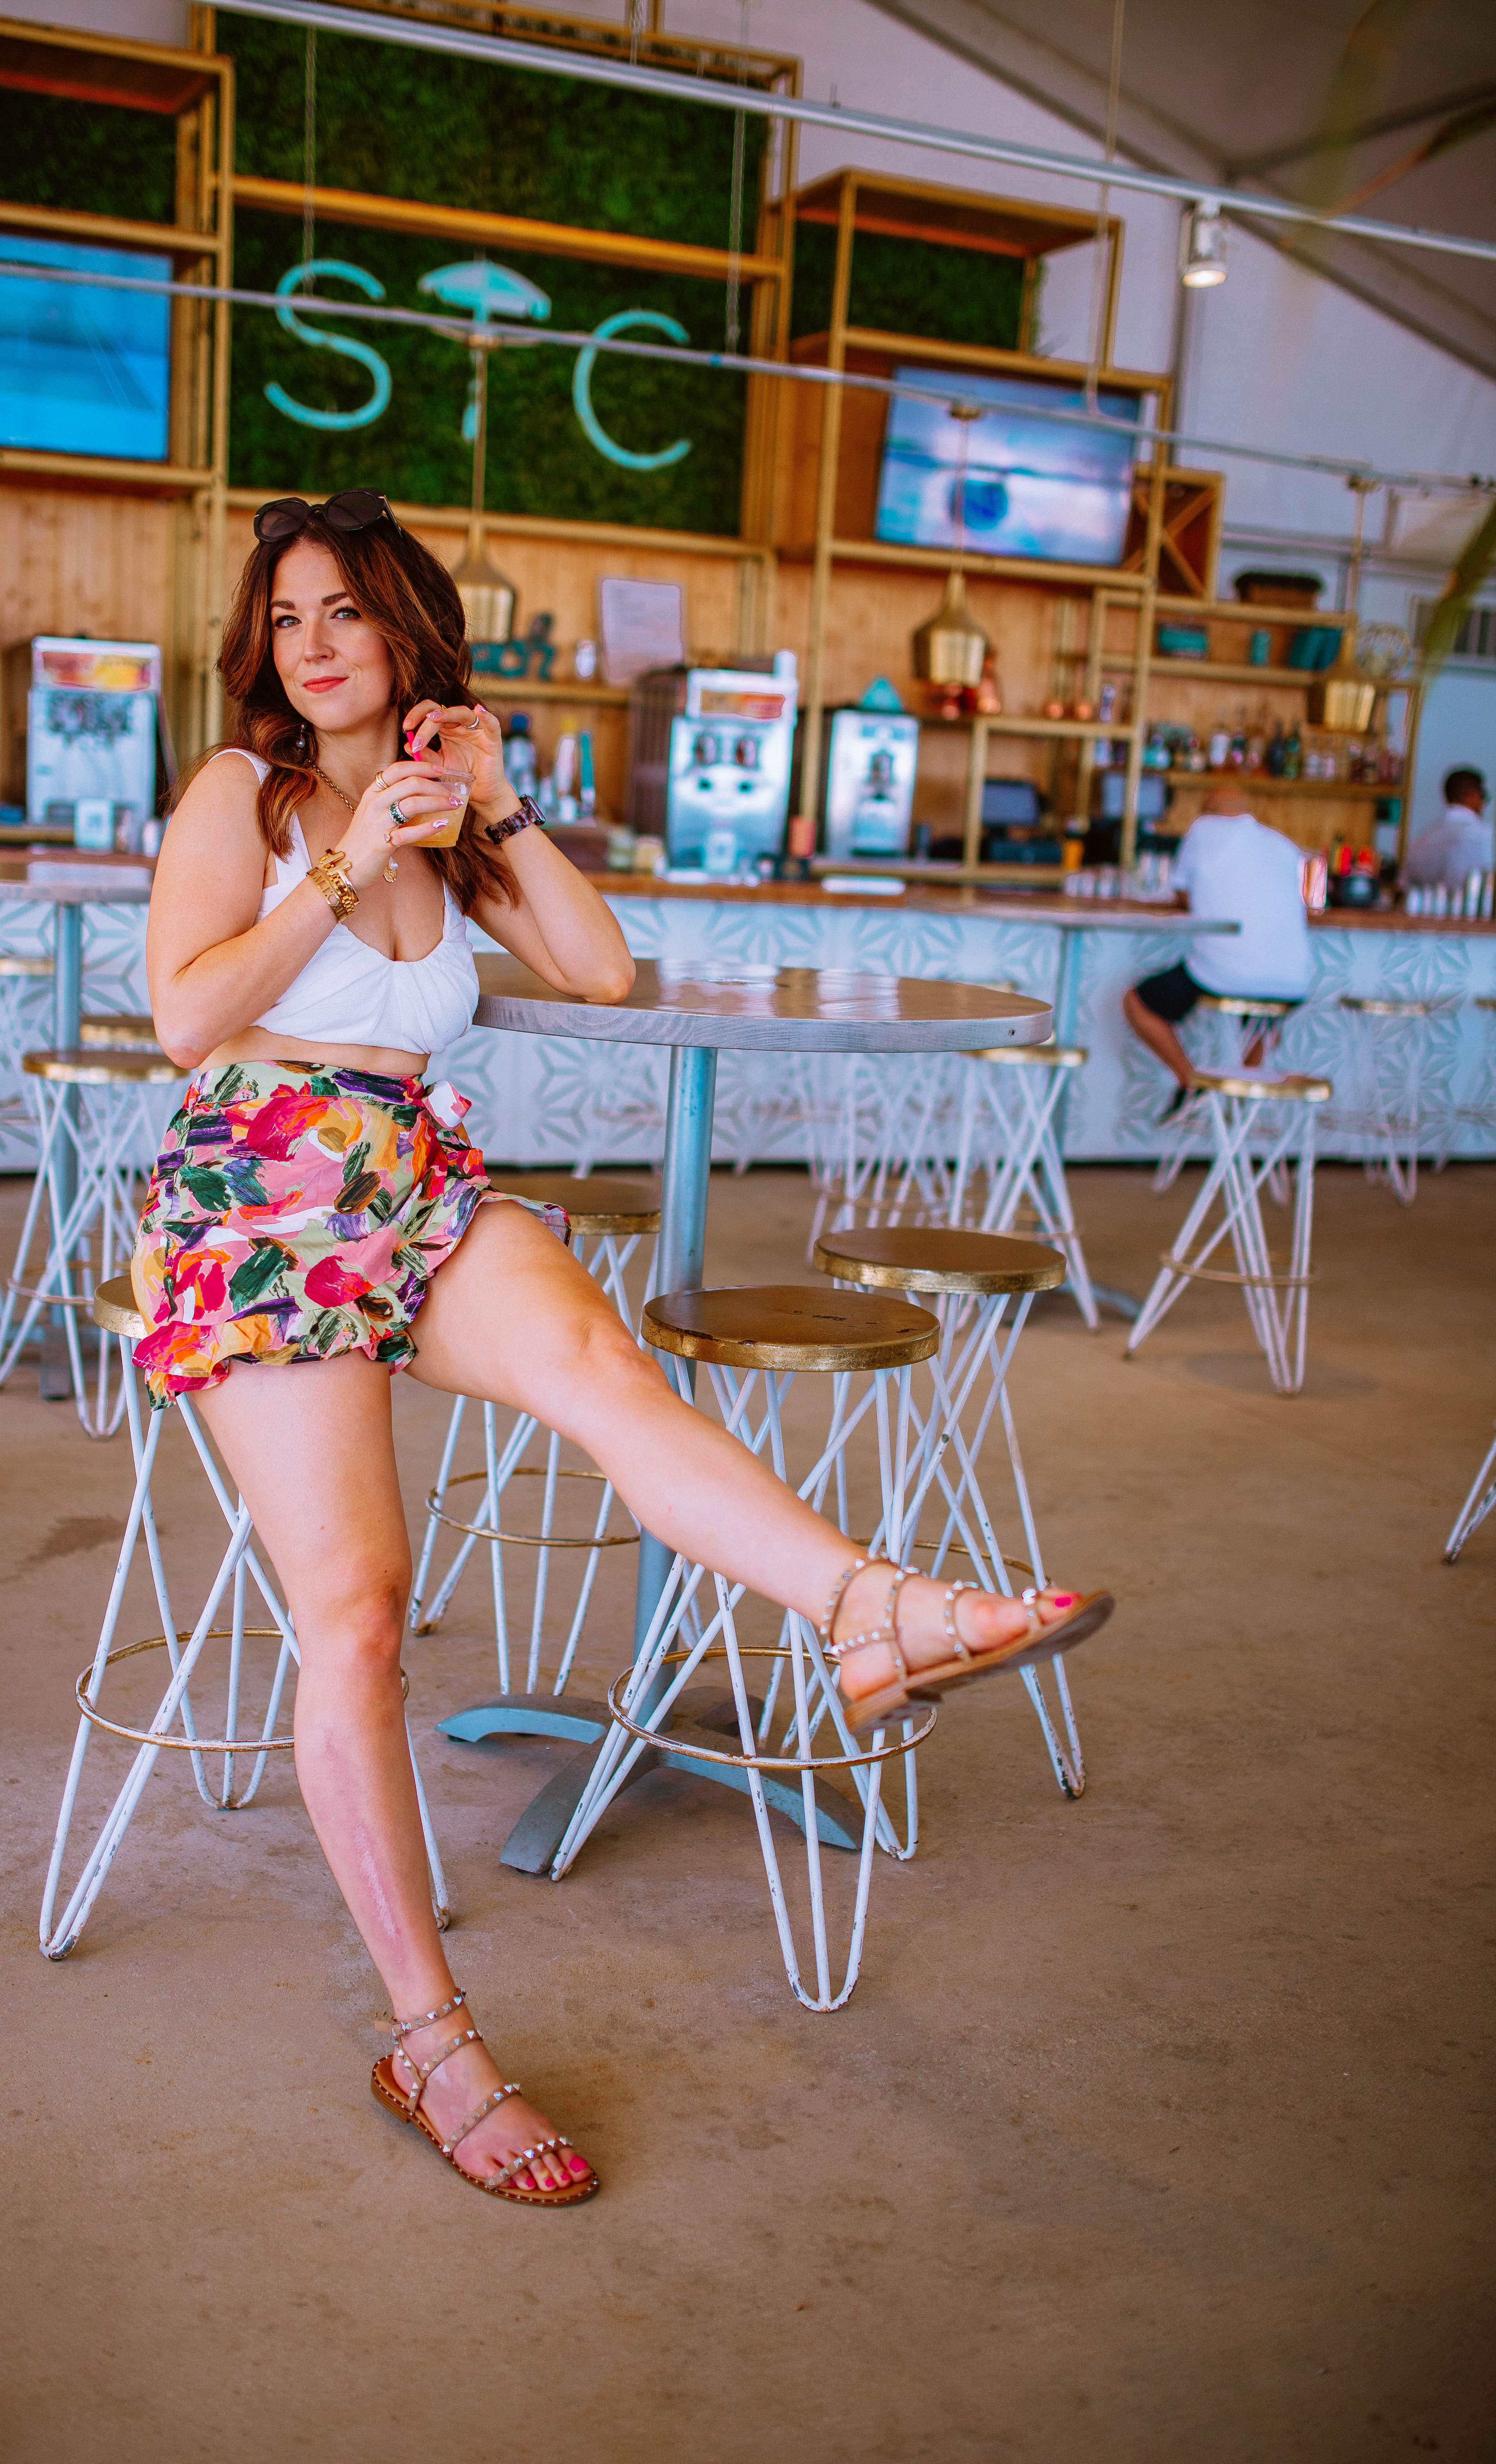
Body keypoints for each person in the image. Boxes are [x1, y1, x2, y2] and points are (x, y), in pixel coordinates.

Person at [132, 490, 1111, 2207]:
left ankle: (872, 1617)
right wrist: (346, 870)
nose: (315, 644)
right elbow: (185, 1014)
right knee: (358, 1616)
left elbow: (597, 966)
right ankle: (430, 2037)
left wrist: (493, 804)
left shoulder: (450, 811)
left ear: (406, 629)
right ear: (265, 649)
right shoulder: (243, 795)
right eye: (288, 618)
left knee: (606, 1369)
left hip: (415, 1173)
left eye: (347, 610)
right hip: (258, 1191)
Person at [1123, 784, 1312, 1095]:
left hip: (1225, 974)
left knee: (1137, 1003)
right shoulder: (1282, 845)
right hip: (1294, 983)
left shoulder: (1203, 832)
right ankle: (1239, 1111)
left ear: (1206, 810)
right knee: (1264, 1022)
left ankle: (1191, 1082)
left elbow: (1182, 893)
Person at [1402, 767, 1491, 892]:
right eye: (1484, 796)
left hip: (1421, 911)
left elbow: (1404, 888)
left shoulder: (1421, 840)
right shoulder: (1485, 835)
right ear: (1473, 795)